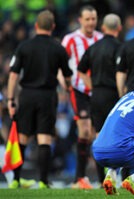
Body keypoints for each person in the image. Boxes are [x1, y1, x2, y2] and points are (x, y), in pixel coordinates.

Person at [7, 10, 72, 188]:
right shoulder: (58, 48)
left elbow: (13, 76)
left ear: (36, 26)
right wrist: (67, 86)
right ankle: (43, 181)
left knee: (22, 138)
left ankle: (15, 180)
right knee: (44, 138)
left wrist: (11, 99)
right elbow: (67, 78)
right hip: (48, 96)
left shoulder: (24, 46)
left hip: (27, 94)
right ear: (53, 26)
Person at [61, 5, 103, 189]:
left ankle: (104, 179)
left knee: (99, 134)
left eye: (93, 19)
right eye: (87, 19)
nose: (91, 22)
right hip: (78, 90)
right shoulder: (70, 39)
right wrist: (64, 82)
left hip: (99, 91)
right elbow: (59, 63)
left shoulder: (101, 38)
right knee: (85, 131)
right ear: (80, 20)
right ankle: (79, 177)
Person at [78, 13, 122, 142]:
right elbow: (121, 73)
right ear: (119, 28)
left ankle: (99, 162)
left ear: (103, 28)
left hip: (96, 94)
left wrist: (92, 87)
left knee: (99, 134)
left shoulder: (93, 48)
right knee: (115, 134)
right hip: (113, 94)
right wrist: (122, 94)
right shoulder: (120, 48)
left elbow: (81, 70)